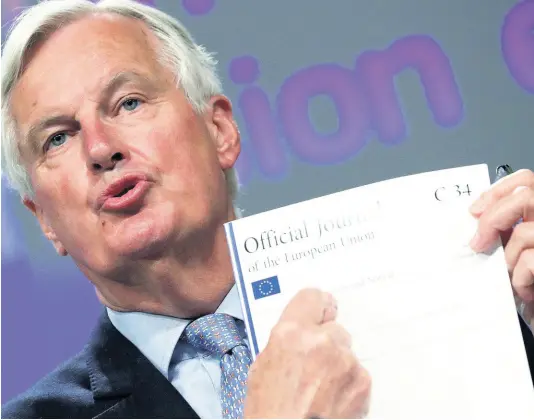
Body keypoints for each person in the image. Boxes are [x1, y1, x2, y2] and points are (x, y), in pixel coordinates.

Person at [0, 0, 532, 418]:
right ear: (43, 219)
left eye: (129, 103)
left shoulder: (445, 301)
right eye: (57, 139)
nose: (100, 148)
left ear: (220, 131)